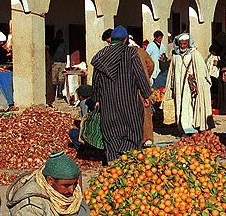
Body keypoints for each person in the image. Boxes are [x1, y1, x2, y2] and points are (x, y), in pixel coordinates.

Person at [90, 26, 152, 163]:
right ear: (125, 40)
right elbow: (140, 75)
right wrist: (146, 95)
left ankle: (113, 163)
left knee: (111, 132)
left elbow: (96, 81)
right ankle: (130, 163)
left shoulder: (101, 55)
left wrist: (97, 98)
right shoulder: (131, 53)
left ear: (111, 39)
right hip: (130, 102)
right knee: (133, 130)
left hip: (108, 101)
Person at [163, 33, 213, 135]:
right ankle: (181, 127)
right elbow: (171, 72)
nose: (182, 46)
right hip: (178, 86)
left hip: (189, 87)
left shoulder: (195, 54)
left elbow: (202, 72)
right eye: (180, 44)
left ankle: (189, 128)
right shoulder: (175, 55)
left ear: (188, 43)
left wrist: (198, 84)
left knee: (188, 107)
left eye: (184, 44)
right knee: (179, 106)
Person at [68, 85, 96, 151]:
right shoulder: (96, 101)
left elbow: (85, 119)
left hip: (92, 134)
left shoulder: (84, 103)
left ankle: (83, 149)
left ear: (80, 96)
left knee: (72, 132)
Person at [49, 30, 67, 100]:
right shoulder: (53, 43)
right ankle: (53, 94)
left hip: (62, 62)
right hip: (55, 62)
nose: (60, 36)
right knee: (54, 79)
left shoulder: (63, 43)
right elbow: (51, 52)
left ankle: (59, 93)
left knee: (61, 78)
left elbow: (65, 51)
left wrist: (65, 61)